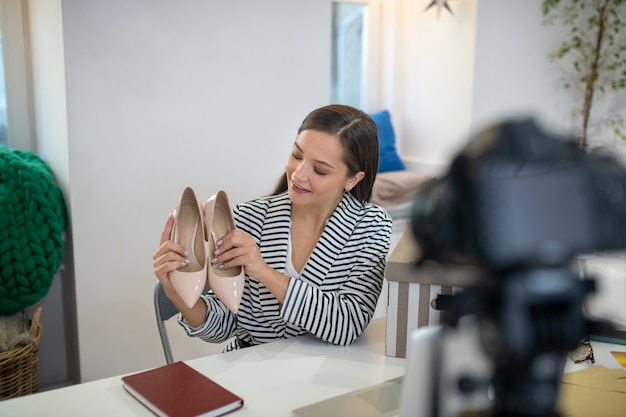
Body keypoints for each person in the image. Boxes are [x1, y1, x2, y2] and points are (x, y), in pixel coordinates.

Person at [153, 104, 393, 351]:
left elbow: (347, 325)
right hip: (252, 371)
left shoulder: (371, 227)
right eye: (297, 156)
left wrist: (264, 272)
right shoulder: (248, 217)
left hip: (325, 374)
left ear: (353, 179)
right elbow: (222, 326)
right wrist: (175, 292)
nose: (298, 174)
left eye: (320, 170)